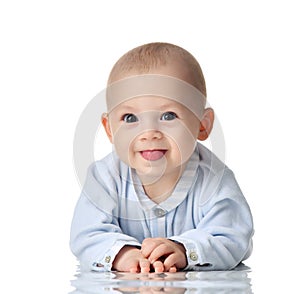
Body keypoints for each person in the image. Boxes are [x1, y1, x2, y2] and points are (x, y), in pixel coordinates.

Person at [70, 42, 254, 273]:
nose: (149, 133)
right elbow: (86, 233)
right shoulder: (104, 177)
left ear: (202, 125)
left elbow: (233, 235)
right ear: (109, 129)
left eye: (169, 115)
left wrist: (184, 250)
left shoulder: (214, 180)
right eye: (129, 118)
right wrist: (124, 254)